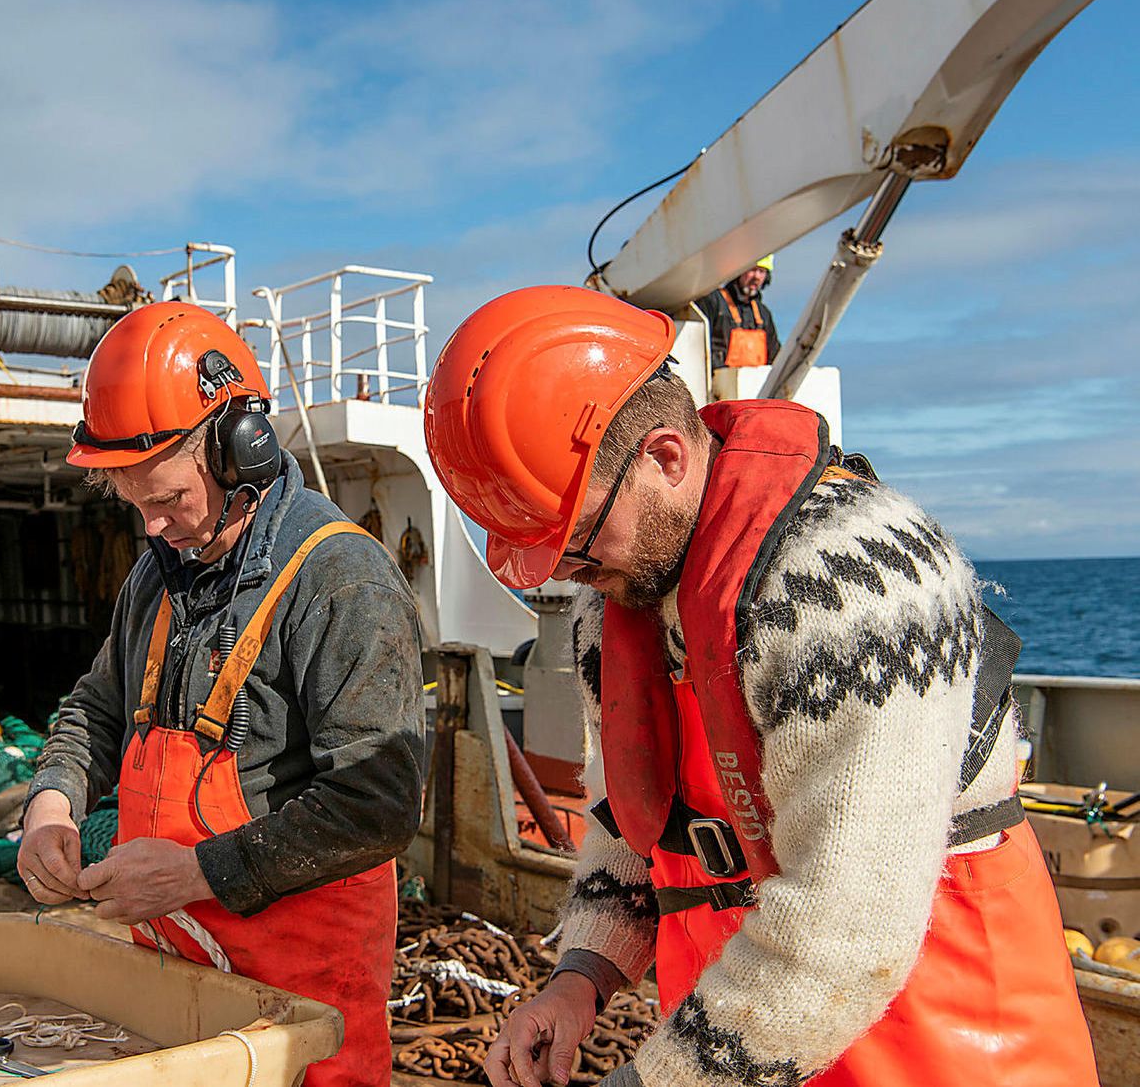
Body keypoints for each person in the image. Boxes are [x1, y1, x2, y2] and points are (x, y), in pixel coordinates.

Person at [421, 285, 1097, 1087]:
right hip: (740, 1040)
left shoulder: (857, 588)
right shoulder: (617, 602)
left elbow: (849, 928)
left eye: (572, 543)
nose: (567, 576)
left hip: (936, 1042)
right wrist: (583, 976)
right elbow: (636, 815)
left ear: (664, 457)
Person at [16, 301, 426, 1087]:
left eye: (167, 500)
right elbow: (95, 711)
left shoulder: (342, 581)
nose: (153, 528)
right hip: (179, 1005)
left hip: (300, 1022)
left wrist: (194, 874)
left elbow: (380, 803)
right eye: (136, 506)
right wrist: (52, 806)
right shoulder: (155, 577)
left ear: (244, 449)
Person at [694, 255, 779, 369]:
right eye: (753, 270)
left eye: (762, 271)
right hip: (715, 382)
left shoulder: (764, 314)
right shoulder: (713, 301)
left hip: (756, 384)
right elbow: (695, 345)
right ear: (739, 271)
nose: (757, 277)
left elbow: (775, 356)